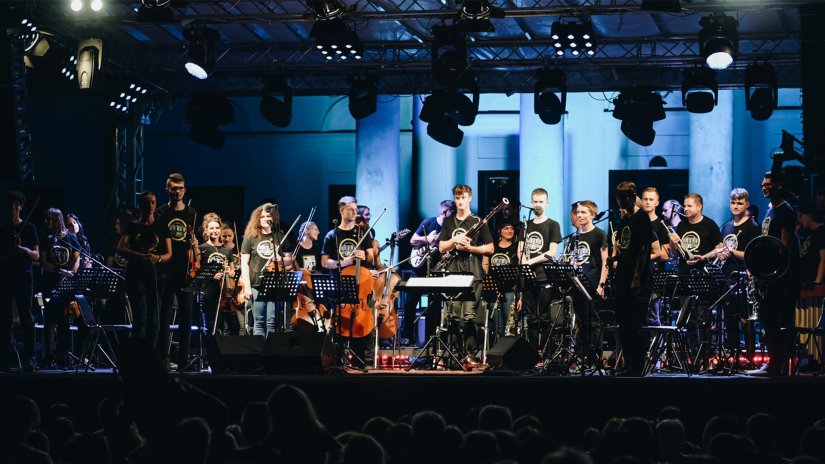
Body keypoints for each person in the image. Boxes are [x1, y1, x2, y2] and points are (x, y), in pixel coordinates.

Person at [438, 184, 494, 359]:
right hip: (453, 272)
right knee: (453, 315)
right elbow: (441, 247)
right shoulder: (449, 222)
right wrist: (455, 239)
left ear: (470, 198)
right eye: (457, 198)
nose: (460, 201)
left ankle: (470, 354)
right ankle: (453, 354)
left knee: (470, 315)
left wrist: (471, 248)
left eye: (463, 197)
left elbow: (490, 248)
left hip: (473, 272)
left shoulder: (478, 221)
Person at [117, 192, 172, 347]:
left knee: (155, 319)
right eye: (147, 202)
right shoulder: (133, 226)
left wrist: (157, 258)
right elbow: (120, 247)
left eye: (153, 202)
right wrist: (140, 256)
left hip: (157, 275)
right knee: (140, 316)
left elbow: (169, 254)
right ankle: (139, 355)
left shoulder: (162, 225)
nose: (150, 205)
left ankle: (151, 355)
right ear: (141, 204)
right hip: (136, 274)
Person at [154, 173, 197, 367]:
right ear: (167, 190)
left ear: (185, 190)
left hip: (186, 270)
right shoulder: (161, 212)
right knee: (164, 315)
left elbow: (193, 239)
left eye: (180, 188)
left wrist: (194, 242)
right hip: (165, 269)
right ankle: (163, 357)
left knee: (186, 316)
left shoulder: (192, 213)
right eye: (174, 188)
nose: (177, 192)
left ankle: (183, 359)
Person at [612, 181, 652, 376]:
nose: (619, 203)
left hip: (635, 278)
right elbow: (624, 247)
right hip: (622, 276)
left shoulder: (641, 218)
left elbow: (643, 250)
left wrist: (636, 276)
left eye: (622, 199)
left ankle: (637, 365)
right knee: (623, 322)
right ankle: (628, 363)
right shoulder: (625, 220)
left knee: (634, 323)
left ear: (630, 197)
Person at [517, 188, 562, 350]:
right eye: (535, 202)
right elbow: (520, 249)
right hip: (528, 277)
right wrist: (524, 262)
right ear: (531, 203)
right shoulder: (526, 225)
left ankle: (545, 350)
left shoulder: (553, 225)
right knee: (531, 318)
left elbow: (551, 253)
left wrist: (530, 262)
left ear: (547, 203)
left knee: (543, 316)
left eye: (541, 202)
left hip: (544, 277)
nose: (538, 204)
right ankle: (532, 351)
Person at [0, 191, 39, 372]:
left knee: (26, 317)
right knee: (4, 318)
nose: (14, 208)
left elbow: (36, 255)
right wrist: (8, 253)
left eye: (17, 204)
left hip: (24, 277)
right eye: (11, 205)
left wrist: (23, 250)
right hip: (5, 277)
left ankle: (31, 358)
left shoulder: (29, 228)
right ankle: (5, 359)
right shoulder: (3, 230)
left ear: (21, 207)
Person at [405, 200, 454, 343]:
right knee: (410, 303)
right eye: (452, 212)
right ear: (444, 212)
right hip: (419, 270)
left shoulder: (451, 229)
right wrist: (428, 239)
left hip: (436, 270)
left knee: (434, 305)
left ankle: (431, 339)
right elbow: (413, 240)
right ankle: (408, 336)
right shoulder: (429, 222)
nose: (455, 215)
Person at [241, 203, 292, 336]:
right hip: (256, 283)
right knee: (259, 320)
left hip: (275, 283)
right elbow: (244, 263)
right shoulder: (250, 237)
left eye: (268, 216)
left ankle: (270, 347)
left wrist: (280, 258)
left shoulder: (280, 237)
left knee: (272, 321)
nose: (265, 219)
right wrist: (247, 286)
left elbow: (289, 260)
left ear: (273, 218)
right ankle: (259, 348)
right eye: (262, 216)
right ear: (257, 219)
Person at [40, 207, 82, 369]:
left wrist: (73, 271)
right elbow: (43, 262)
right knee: (49, 320)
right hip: (50, 283)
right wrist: (59, 271)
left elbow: (77, 256)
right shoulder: (47, 238)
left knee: (65, 321)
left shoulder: (70, 237)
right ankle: (48, 357)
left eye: (49, 219)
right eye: (45, 219)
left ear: (58, 220)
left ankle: (62, 356)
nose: (46, 222)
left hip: (67, 285)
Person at [565, 201, 608, 358]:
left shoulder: (599, 234)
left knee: (594, 321)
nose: (579, 215)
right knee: (581, 321)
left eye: (583, 212)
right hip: (578, 284)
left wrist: (601, 285)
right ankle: (583, 356)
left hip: (593, 283)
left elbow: (605, 261)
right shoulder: (574, 237)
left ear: (592, 215)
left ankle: (596, 356)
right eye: (578, 212)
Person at [196, 213, 238, 340]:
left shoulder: (227, 250)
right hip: (207, 291)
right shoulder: (201, 248)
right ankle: (209, 350)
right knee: (209, 327)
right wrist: (211, 276)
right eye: (211, 228)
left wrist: (229, 272)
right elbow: (197, 271)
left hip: (224, 292)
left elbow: (232, 271)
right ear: (206, 230)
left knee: (229, 327)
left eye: (217, 228)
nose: (215, 231)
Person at [482, 221, 518, 339]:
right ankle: (497, 346)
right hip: (493, 289)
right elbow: (485, 264)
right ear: (499, 231)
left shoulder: (517, 247)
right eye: (506, 228)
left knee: (509, 324)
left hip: (510, 289)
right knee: (497, 325)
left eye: (511, 228)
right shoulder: (493, 247)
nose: (510, 230)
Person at [669, 193, 722, 274]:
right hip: (684, 273)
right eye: (685, 206)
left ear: (699, 207)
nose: (685, 209)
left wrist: (703, 257)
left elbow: (719, 249)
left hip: (704, 273)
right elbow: (676, 254)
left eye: (689, 206)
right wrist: (672, 243)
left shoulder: (710, 225)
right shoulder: (681, 225)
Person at [797, 203, 825, 284]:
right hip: (806, 279)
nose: (799, 219)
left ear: (809, 215)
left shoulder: (821, 232)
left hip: (814, 280)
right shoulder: (808, 232)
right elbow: (802, 252)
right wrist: (796, 233)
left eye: (800, 216)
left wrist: (818, 281)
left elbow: (823, 259)